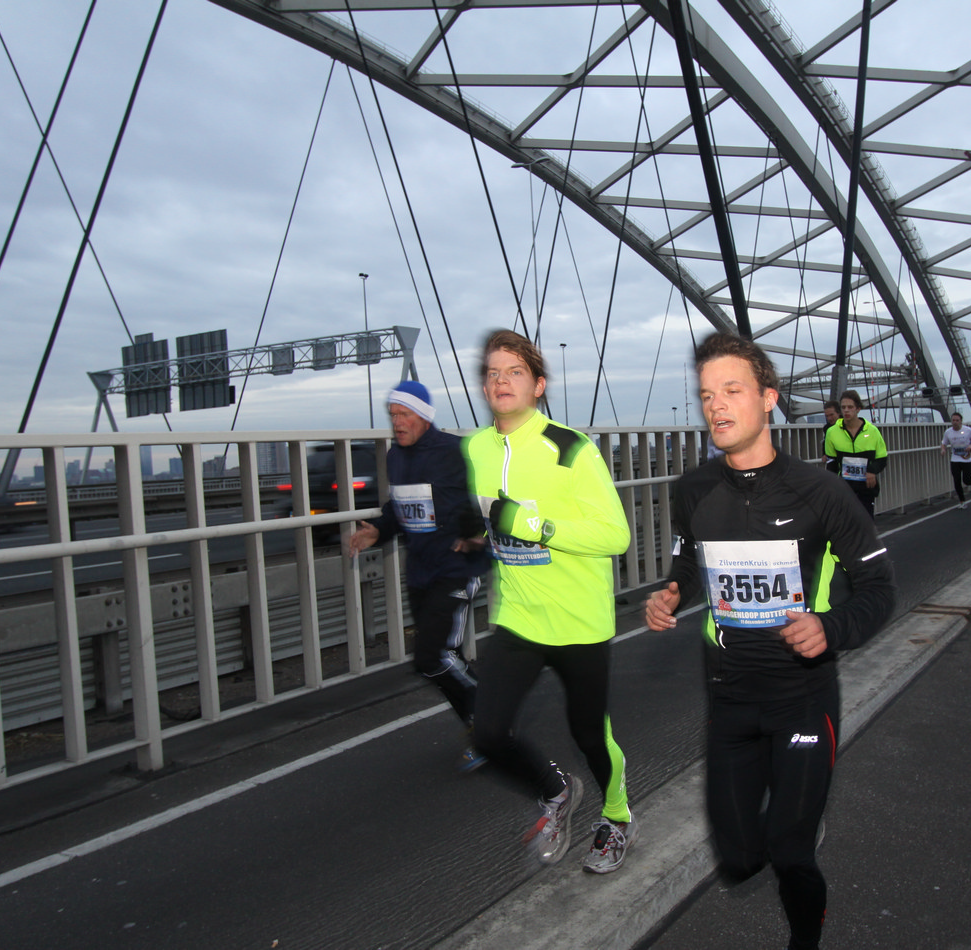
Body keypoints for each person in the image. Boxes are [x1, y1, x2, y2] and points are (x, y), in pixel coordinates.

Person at [644, 333, 896, 950]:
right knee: (736, 861)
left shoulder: (821, 492)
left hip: (801, 695)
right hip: (729, 697)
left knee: (789, 853)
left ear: (768, 399)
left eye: (731, 390)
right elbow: (688, 562)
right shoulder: (693, 489)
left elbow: (878, 588)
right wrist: (670, 593)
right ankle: (793, 825)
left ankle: (805, 938)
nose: (716, 405)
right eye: (707, 394)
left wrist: (830, 628)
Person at [462, 329, 636, 873]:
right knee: (488, 734)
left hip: (579, 620)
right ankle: (556, 790)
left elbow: (615, 535)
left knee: (590, 734)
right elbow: (485, 516)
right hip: (518, 617)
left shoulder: (571, 448)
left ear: (538, 386)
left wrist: (533, 526)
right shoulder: (475, 448)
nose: (501, 381)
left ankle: (617, 815)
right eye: (492, 373)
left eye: (514, 372)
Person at [347, 381, 489, 769]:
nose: (397, 422)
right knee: (442, 658)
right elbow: (399, 507)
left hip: (456, 568)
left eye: (404, 414)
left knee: (432, 655)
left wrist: (478, 531)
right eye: (393, 414)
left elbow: (489, 493)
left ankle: (491, 723)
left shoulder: (455, 451)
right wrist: (378, 530)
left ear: (424, 416)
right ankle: (483, 727)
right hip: (421, 572)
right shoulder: (396, 457)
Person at [824, 390, 889, 521]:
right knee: (845, 525)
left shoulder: (872, 431)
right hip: (844, 488)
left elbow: (882, 458)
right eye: (843, 407)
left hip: (866, 488)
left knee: (866, 525)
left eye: (850, 407)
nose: (846, 411)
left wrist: (872, 471)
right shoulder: (832, 432)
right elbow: (831, 462)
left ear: (858, 409)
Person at [940, 411, 971, 508]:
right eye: (953, 420)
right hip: (955, 459)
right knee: (956, 480)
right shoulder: (948, 432)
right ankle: (962, 501)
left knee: (966, 480)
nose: (955, 422)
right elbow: (944, 442)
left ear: (961, 421)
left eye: (957, 420)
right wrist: (943, 449)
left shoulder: (968, 430)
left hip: (966, 458)